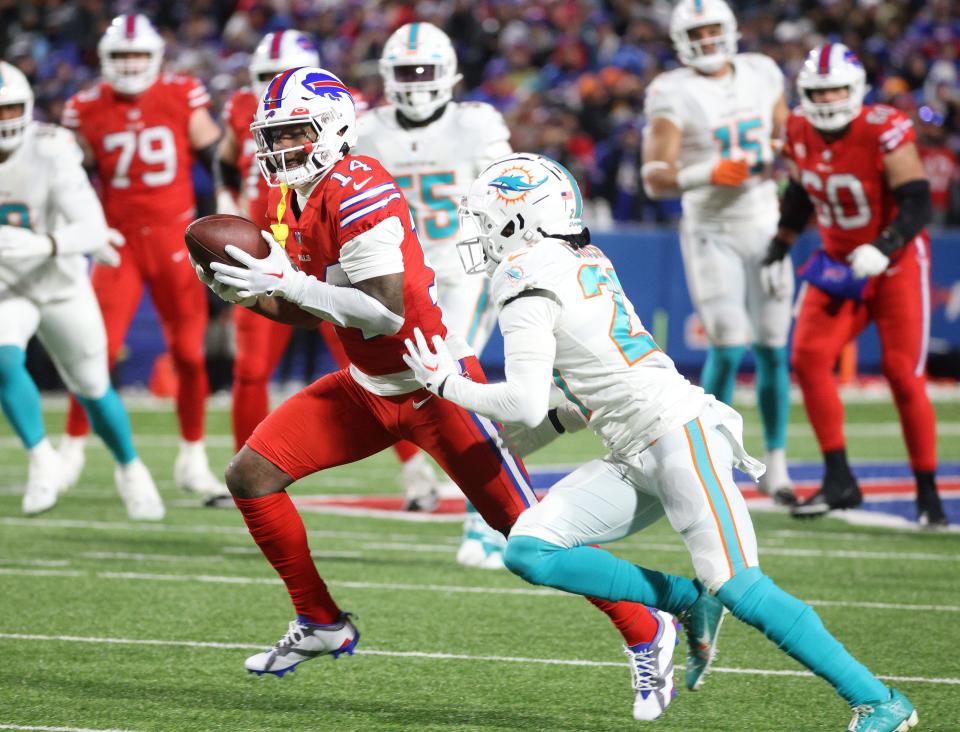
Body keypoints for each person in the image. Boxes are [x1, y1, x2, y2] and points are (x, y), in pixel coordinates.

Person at [198, 67, 695, 721]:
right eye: (274, 136)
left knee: (528, 531)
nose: (280, 149)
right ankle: (320, 621)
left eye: (294, 133)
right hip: (367, 387)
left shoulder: (359, 186)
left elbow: (379, 314)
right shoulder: (294, 197)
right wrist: (254, 296)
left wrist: (285, 285)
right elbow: (316, 310)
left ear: (335, 127)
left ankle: (646, 625)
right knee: (252, 475)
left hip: (437, 386)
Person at [403, 151, 918, 732]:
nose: (478, 232)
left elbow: (524, 398)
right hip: (632, 446)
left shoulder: (522, 276)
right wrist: (515, 443)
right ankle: (684, 600)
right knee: (530, 548)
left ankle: (880, 701)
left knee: (741, 585)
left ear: (523, 218)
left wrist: (447, 385)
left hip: (677, 432)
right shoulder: (576, 255)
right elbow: (575, 398)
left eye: (486, 217)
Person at [216, 30, 437, 513]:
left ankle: (417, 473)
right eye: (262, 81)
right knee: (251, 367)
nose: (271, 96)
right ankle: (247, 464)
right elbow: (226, 159)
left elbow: (380, 310)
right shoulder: (242, 110)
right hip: (272, 238)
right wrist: (227, 207)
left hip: (335, 243)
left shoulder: (345, 116)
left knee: (366, 362)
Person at [762, 44, 948, 526]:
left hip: (896, 261)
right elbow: (802, 193)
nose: (827, 100)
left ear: (856, 88)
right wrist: (779, 246)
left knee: (901, 373)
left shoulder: (882, 127)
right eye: (818, 92)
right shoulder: (799, 128)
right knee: (807, 357)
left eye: (836, 90)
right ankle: (838, 478)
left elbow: (918, 202)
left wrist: (884, 247)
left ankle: (928, 493)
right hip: (839, 262)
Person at [354, 21, 514, 566]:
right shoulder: (368, 129)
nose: (416, 82)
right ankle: (491, 508)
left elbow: (507, 192)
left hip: (466, 268)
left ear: (448, 75)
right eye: (405, 73)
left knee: (457, 380)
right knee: (426, 390)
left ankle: (488, 520)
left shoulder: (476, 125)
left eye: (424, 71)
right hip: (400, 279)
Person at [59, 14, 224, 498]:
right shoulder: (84, 106)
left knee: (190, 354)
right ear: (107, 60)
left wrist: (213, 233)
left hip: (176, 239)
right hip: (119, 241)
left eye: (138, 55)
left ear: (154, 58)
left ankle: (193, 457)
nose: (131, 65)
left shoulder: (182, 93)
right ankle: (69, 448)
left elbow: (215, 159)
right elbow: (72, 178)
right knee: (95, 351)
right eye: (122, 56)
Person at [641, 0, 794, 505]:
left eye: (713, 32)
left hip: (766, 221)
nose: (707, 43)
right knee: (727, 345)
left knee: (773, 345)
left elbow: (786, 136)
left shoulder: (762, 72)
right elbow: (653, 177)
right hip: (711, 228)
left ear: (730, 31)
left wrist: (779, 157)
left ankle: (777, 466)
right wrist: (705, 172)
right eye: (697, 34)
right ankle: (713, 459)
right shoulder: (672, 91)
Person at [0, 61, 163, 520]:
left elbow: (91, 224)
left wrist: (50, 243)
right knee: (2, 358)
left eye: (10, 109)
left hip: (60, 280)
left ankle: (130, 467)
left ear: (27, 109)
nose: (4, 121)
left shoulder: (50, 149)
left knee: (92, 386)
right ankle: (41, 460)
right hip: (7, 287)